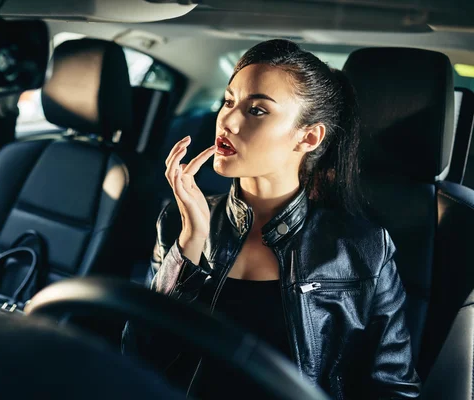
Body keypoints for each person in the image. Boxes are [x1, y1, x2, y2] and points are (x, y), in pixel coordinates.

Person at [122, 39, 421, 399]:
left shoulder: (363, 248)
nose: (227, 121)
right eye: (229, 101)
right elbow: (136, 362)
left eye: (257, 110)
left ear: (308, 137)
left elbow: (393, 389)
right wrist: (190, 243)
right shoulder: (178, 221)